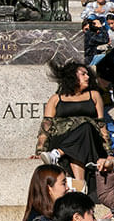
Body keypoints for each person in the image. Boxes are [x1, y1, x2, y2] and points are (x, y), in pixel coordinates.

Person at [34, 61, 107, 193]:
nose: (88, 77)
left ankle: (57, 154)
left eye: (87, 74)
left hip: (88, 138)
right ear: (72, 76)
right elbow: (46, 127)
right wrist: (39, 151)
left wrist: (109, 152)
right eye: (83, 74)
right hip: (64, 139)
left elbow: (101, 125)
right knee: (80, 137)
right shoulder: (56, 99)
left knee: (86, 128)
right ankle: (80, 184)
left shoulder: (94, 95)